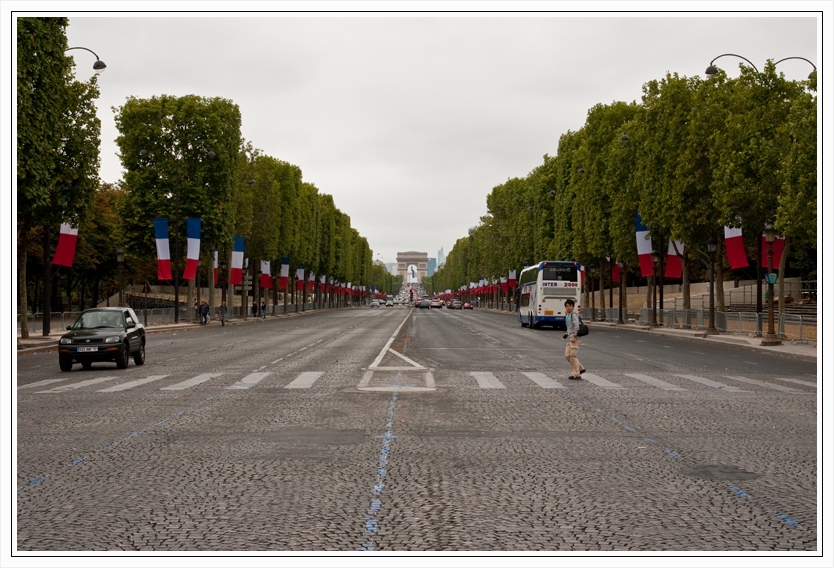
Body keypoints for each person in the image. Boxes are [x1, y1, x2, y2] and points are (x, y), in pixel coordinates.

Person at [563, 298, 586, 380]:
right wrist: (566, 334)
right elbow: (569, 327)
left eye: (570, 306)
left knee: (573, 356)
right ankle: (580, 368)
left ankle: (576, 374)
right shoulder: (568, 315)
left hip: (575, 338)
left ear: (573, 306)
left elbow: (576, 326)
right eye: (566, 306)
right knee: (567, 355)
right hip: (570, 337)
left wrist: (574, 336)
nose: (568, 307)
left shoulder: (574, 314)